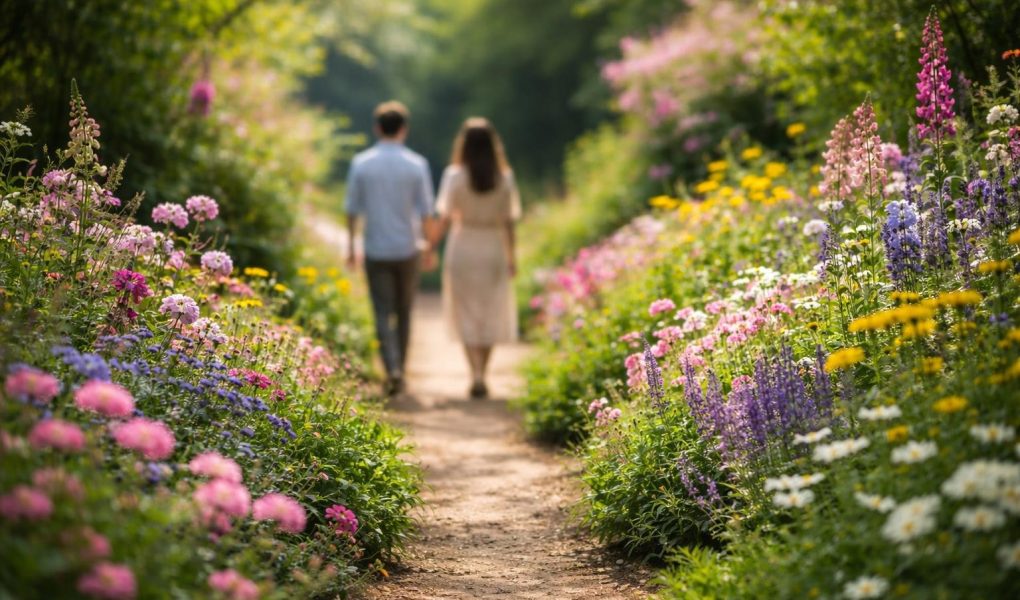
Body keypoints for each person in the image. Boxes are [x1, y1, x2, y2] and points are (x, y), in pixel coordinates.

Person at [345, 101, 435, 395]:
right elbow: (426, 212)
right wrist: (430, 247)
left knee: (382, 311)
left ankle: (392, 368)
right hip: (408, 247)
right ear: (404, 130)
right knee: (405, 310)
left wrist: (350, 245)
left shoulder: (362, 163)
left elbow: (352, 209)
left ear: (377, 128)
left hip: (376, 248)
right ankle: (401, 369)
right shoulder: (417, 164)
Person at [428, 117, 521, 398]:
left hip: (464, 244)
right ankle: (484, 372)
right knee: (491, 309)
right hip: (492, 244)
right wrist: (512, 255)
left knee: (465, 309)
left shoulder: (454, 176)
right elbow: (509, 221)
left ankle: (474, 373)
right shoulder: (505, 177)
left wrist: (431, 245)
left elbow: (444, 218)